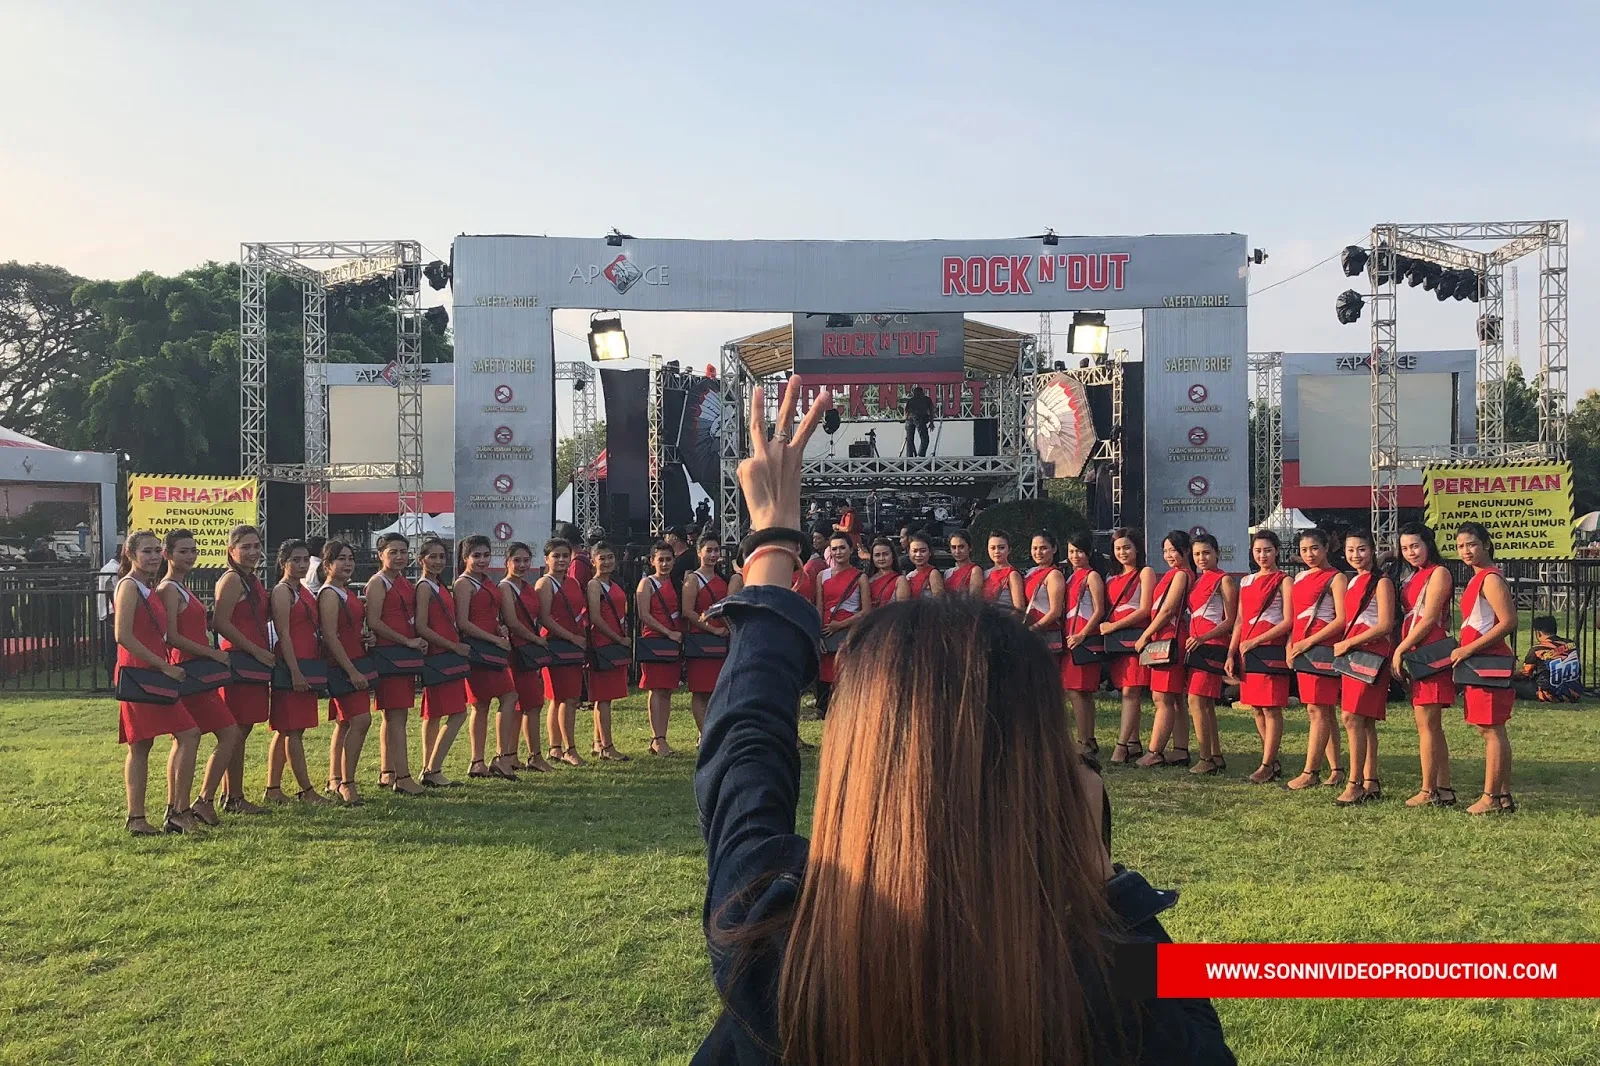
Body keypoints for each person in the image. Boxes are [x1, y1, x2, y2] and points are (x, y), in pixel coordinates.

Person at [693, 374, 1236, 1065]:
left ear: (855, 755)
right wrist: (1100, 881)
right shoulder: (1119, 980)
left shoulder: (774, 949)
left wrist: (772, 542)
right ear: (1041, 764)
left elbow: (744, 749)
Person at [114, 531, 201, 835]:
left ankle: (145, 816)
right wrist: (164, 666)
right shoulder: (129, 586)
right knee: (184, 734)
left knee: (145, 744)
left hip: (150, 672)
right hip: (142, 673)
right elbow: (122, 635)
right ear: (130, 554)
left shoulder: (146, 587)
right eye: (146, 551)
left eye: (156, 551)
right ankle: (173, 812)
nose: (152, 557)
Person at [156, 529, 241, 826]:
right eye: (183, 551)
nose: (190, 556)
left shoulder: (182, 586)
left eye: (193, 550)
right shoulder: (169, 589)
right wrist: (212, 653)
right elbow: (171, 635)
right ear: (167, 554)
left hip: (197, 670)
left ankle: (192, 804)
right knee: (207, 736)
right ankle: (185, 806)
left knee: (203, 736)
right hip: (188, 671)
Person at [1389, 522, 1457, 808]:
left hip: (1428, 651)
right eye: (1405, 548)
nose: (1410, 552)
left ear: (1428, 543)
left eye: (1415, 546)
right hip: (1416, 651)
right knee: (1430, 726)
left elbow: (1429, 618)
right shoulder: (1414, 575)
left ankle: (1429, 789)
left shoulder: (1439, 572)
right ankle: (1443, 788)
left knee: (1428, 725)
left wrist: (1401, 649)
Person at [1452, 522, 1518, 815]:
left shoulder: (1490, 578)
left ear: (1486, 544)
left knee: (1492, 730)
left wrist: (1468, 649)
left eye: (1471, 544)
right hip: (1478, 662)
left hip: (1487, 662)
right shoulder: (1478, 577)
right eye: (1460, 546)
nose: (1466, 551)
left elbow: (1509, 621)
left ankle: (1491, 796)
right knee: (1487, 729)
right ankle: (1502, 795)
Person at [1331, 528, 1395, 807]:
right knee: (1363, 720)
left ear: (1372, 550)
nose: (1356, 555)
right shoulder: (1352, 581)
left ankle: (1355, 782)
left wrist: (1350, 642)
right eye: (1350, 550)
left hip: (1371, 655)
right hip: (1353, 655)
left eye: (1361, 549)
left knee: (1352, 717)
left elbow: (1385, 624)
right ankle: (1370, 780)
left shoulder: (1382, 582)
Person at [211, 525, 273, 815]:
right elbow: (220, 622)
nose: (252, 552)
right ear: (231, 550)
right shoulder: (232, 579)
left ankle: (232, 794)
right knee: (235, 731)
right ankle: (229, 795)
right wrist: (255, 650)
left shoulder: (251, 578)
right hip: (239, 660)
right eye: (245, 547)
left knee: (242, 730)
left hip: (253, 661)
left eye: (256, 546)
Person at [1283, 529, 1349, 792]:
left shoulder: (1336, 577)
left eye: (1314, 548)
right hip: (1301, 648)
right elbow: (1295, 616)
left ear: (1326, 548)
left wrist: (1308, 642)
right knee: (1323, 710)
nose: (1309, 554)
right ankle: (1336, 770)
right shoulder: (1300, 577)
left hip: (1321, 648)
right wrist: (1291, 643)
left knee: (1317, 709)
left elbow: (1341, 619)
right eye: (1304, 550)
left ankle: (1310, 771)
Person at [364, 533, 429, 795]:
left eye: (404, 551)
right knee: (396, 717)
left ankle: (388, 770)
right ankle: (402, 777)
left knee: (392, 716)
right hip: (390, 653)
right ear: (380, 555)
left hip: (402, 653)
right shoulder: (378, 582)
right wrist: (407, 641)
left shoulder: (402, 580)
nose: (400, 556)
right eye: (393, 552)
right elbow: (374, 621)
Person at [1226, 531, 1292, 784]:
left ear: (1276, 551)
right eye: (1257, 551)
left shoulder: (1284, 580)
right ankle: (1270, 760)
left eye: (1267, 550)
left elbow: (1288, 620)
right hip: (1247, 650)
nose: (1262, 555)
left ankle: (1267, 763)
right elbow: (1240, 619)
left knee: (1271, 708)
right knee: (1256, 707)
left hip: (1271, 649)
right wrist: (1231, 652)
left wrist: (1257, 640)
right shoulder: (1246, 581)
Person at [266, 540, 329, 806]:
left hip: (306, 662)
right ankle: (306, 790)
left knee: (287, 730)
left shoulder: (301, 589)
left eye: (305, 559)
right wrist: (295, 672)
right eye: (296, 560)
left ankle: (273, 788)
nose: (302, 565)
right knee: (292, 730)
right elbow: (284, 634)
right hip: (294, 665)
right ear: (284, 563)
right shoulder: (283, 591)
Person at [456, 535, 518, 781]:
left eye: (486, 555)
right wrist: (493, 638)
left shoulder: (486, 580)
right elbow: (463, 623)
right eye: (476, 556)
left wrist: (499, 628)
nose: (482, 560)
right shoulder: (463, 584)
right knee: (494, 700)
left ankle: (483, 760)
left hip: (492, 646)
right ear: (465, 558)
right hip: (479, 650)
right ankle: (492, 758)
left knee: (490, 702)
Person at [318, 540, 374, 806]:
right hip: (343, 666)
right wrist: (351, 671)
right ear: (327, 564)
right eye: (341, 558)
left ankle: (335, 778)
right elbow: (330, 636)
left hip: (355, 659)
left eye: (351, 558)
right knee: (361, 720)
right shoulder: (330, 594)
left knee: (345, 722)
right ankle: (347, 783)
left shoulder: (345, 591)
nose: (348, 563)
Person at [415, 538, 471, 787]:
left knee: (434, 715)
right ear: (421, 560)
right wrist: (453, 646)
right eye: (433, 556)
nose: (438, 561)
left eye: (442, 557)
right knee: (457, 713)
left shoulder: (437, 585)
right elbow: (422, 626)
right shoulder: (425, 587)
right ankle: (433, 768)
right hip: (440, 655)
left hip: (443, 654)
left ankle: (429, 768)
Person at [1135, 531, 1194, 768]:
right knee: (1175, 697)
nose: (1168, 555)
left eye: (1173, 550)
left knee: (1162, 697)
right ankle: (1180, 749)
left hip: (1169, 638)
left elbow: (1168, 610)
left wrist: (1145, 635)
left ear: (1185, 551)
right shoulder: (1176, 573)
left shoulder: (1181, 575)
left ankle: (1155, 751)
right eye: (1165, 551)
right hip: (1168, 636)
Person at [499, 542, 556, 773]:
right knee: (531, 704)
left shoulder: (527, 587)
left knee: (524, 705)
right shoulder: (506, 587)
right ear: (507, 562)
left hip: (528, 650)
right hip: (517, 651)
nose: (522, 565)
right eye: (517, 560)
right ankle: (534, 756)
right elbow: (512, 622)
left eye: (526, 560)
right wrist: (536, 639)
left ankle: (513, 754)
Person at [1100, 528, 1154, 765]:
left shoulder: (1145, 573)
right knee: (1126, 690)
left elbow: (1145, 609)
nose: (1122, 552)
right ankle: (1133, 742)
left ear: (1137, 549)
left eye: (1127, 547)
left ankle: (1121, 746)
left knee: (1130, 692)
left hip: (1135, 640)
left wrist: (1114, 626)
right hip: (1116, 643)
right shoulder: (1111, 577)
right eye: (1118, 548)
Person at [1184, 533, 1237, 777]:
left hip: (1212, 645)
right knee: (1204, 703)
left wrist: (1204, 638)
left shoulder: (1224, 580)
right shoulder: (1197, 580)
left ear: (1217, 553)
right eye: (1197, 554)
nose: (1201, 558)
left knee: (1196, 700)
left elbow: (1231, 619)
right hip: (1196, 644)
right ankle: (1214, 755)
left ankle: (1206, 757)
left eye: (1206, 553)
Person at [537, 537, 589, 766]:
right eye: (556, 556)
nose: (561, 560)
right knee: (561, 698)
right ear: (546, 559)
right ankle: (568, 748)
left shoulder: (573, 582)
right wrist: (571, 637)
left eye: (565, 555)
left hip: (572, 646)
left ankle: (556, 747)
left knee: (566, 698)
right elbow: (544, 618)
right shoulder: (545, 584)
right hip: (555, 644)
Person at [684, 534, 739, 743]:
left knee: (718, 690)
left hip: (722, 640)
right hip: (702, 639)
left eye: (716, 550)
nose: (713, 555)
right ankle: (704, 734)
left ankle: (714, 731)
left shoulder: (722, 579)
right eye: (709, 550)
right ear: (699, 553)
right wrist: (711, 629)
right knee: (700, 691)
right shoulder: (693, 579)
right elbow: (688, 611)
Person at [1059, 532, 1107, 755]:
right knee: (1080, 692)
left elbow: (1099, 610)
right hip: (1072, 638)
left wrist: (1082, 634)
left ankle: (1083, 739)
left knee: (1078, 692)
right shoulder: (1071, 577)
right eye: (1071, 551)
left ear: (1088, 552)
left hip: (1083, 639)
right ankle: (1088, 738)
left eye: (1079, 551)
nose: (1074, 556)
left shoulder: (1092, 576)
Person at [814, 532, 870, 720]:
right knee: (825, 671)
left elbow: (866, 611)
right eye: (834, 549)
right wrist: (819, 634)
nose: (838, 552)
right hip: (827, 631)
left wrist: (840, 625)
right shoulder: (822, 576)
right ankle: (823, 708)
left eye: (842, 548)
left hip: (848, 630)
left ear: (851, 550)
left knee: (845, 669)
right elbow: (819, 607)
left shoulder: (860, 577)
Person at [636, 542, 684, 755]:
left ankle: (663, 736)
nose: (664, 564)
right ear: (652, 561)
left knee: (667, 689)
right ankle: (657, 738)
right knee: (656, 688)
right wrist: (667, 632)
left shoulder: (677, 583)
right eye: (660, 560)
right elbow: (644, 615)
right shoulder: (646, 583)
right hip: (655, 640)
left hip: (673, 640)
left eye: (668, 559)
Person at [586, 541, 631, 761]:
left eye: (610, 557)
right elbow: (595, 618)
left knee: (605, 698)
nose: (606, 562)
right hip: (604, 644)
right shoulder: (594, 585)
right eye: (601, 558)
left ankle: (598, 742)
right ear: (593, 561)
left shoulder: (613, 583)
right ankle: (607, 745)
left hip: (613, 642)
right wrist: (618, 638)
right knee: (603, 698)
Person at [1518, 615, 1582, 702]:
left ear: (1538, 633)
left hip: (1547, 694)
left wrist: (1512, 673)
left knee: (1511, 683)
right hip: (1574, 694)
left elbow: (1525, 673)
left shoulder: (1537, 649)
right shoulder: (1571, 645)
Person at [977, 530, 1025, 608]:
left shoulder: (1013, 574)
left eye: (1001, 548)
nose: (997, 551)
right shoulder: (984, 574)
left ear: (1009, 549)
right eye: (993, 548)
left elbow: (1019, 607)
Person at [905, 532, 945, 598]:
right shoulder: (909, 575)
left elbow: (939, 601)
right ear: (909, 553)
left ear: (930, 552)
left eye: (923, 551)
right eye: (915, 551)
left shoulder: (933, 574)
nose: (918, 555)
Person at [944, 529, 980, 596]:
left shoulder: (975, 570)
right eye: (953, 547)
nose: (957, 551)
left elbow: (974, 598)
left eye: (961, 547)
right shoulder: (948, 573)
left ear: (970, 547)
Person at [903, 383, 934, 457]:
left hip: (910, 419)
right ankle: (920, 455)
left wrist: (906, 421)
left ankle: (910, 456)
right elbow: (931, 411)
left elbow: (906, 412)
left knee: (910, 440)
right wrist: (931, 422)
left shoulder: (911, 400)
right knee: (924, 439)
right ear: (922, 393)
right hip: (920, 419)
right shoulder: (926, 399)